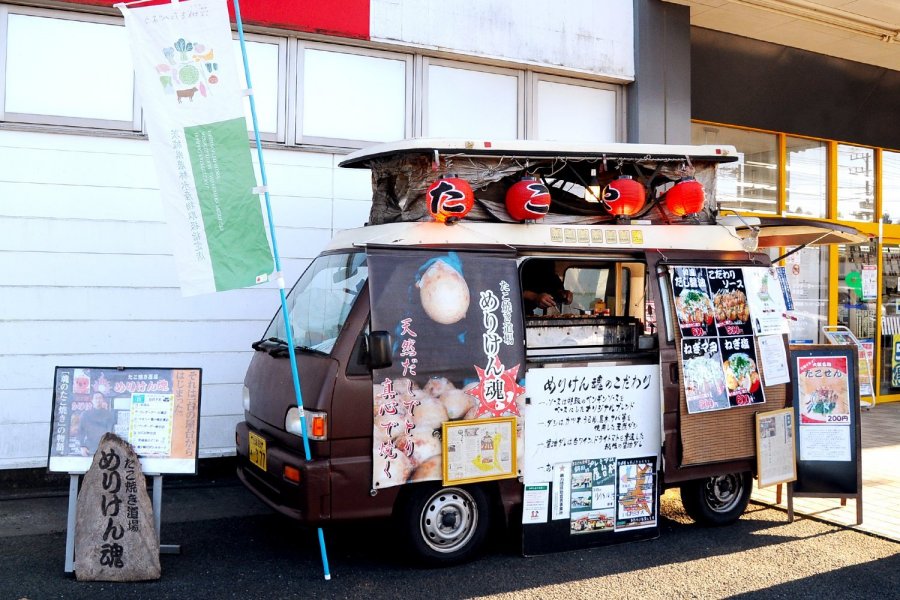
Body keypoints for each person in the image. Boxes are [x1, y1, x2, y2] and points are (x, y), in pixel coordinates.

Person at [79, 391, 116, 456]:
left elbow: (110, 431)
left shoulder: (108, 414)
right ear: (92, 400)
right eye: (96, 398)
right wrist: (82, 446)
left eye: (100, 398)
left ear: (103, 400)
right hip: (89, 448)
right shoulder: (86, 414)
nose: (98, 400)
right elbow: (81, 431)